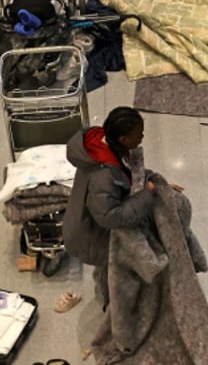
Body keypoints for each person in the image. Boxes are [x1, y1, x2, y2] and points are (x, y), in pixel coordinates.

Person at [64, 107, 183, 306]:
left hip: (90, 220)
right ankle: (113, 308)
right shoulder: (103, 176)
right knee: (111, 273)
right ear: (123, 139)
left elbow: (127, 171)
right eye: (138, 135)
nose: (142, 137)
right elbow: (110, 217)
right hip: (91, 236)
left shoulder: (104, 143)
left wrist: (157, 184)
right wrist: (148, 194)